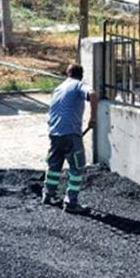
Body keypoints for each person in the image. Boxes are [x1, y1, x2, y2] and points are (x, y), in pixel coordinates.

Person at [43, 64, 99, 214]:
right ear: (81, 75)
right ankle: (71, 203)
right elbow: (93, 94)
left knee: (54, 165)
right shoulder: (78, 85)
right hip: (70, 133)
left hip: (54, 132)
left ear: (67, 74)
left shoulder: (58, 88)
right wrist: (93, 117)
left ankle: (48, 195)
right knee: (77, 167)